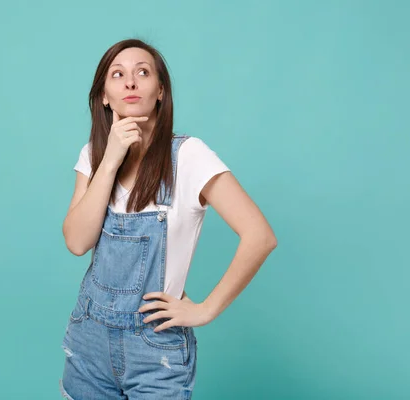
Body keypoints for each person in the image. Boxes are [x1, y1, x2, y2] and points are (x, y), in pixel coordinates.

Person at [60, 38, 277, 399]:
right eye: (118, 74)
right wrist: (111, 159)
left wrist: (206, 309)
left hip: (154, 351)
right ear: (104, 95)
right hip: (88, 344)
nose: (130, 82)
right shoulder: (93, 156)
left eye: (142, 73)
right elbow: (77, 242)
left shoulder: (189, 157)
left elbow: (260, 236)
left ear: (160, 90)